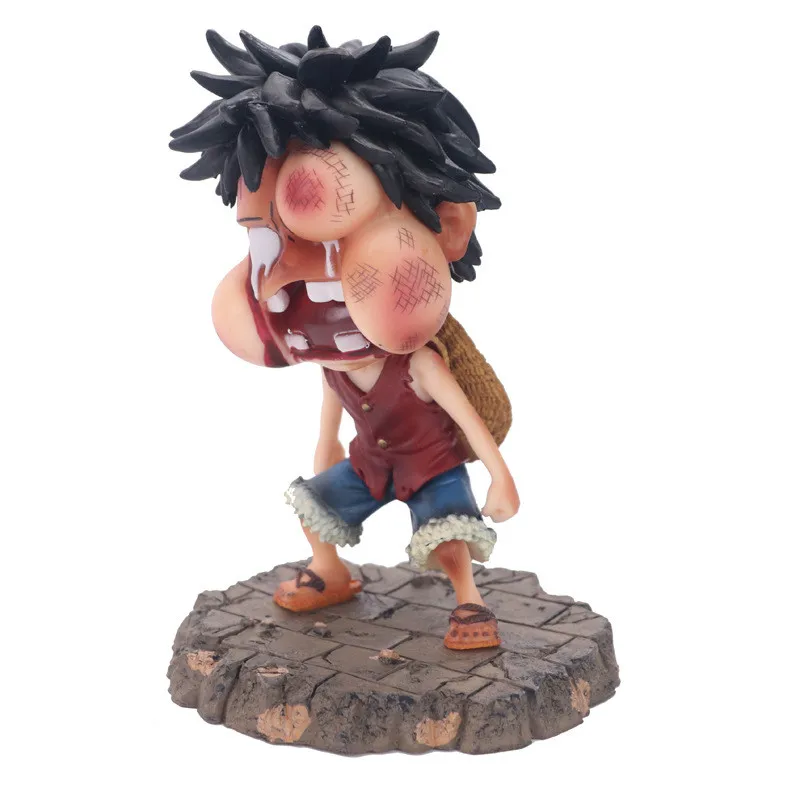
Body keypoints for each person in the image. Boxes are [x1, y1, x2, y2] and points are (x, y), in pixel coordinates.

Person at [171, 26, 519, 649]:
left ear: (445, 227)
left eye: (329, 231)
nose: (287, 271)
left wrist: (500, 476)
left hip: (430, 466)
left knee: (449, 538)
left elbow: (466, 417)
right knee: (317, 508)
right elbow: (334, 403)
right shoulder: (332, 357)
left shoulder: (420, 364)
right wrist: (327, 443)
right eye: (264, 235)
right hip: (370, 463)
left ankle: (469, 601)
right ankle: (329, 569)